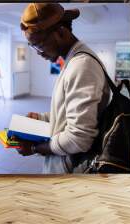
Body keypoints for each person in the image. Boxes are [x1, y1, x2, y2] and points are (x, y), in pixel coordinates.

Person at [16, 3, 110, 174]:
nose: (37, 52)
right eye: (33, 46)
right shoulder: (73, 61)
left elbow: (79, 138)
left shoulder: (82, 66)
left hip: (69, 169)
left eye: (38, 44)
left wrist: (35, 148)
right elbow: (69, 114)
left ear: (60, 33)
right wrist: (43, 118)